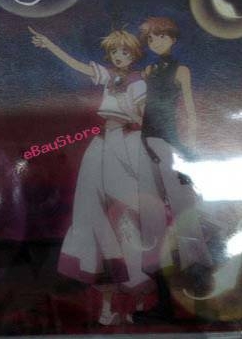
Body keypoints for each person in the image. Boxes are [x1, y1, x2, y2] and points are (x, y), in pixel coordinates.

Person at [29, 26, 154, 326]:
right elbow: (77, 65)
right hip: (103, 142)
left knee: (126, 215)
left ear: (133, 54)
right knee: (91, 211)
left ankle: (134, 299)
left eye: (124, 52)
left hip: (126, 142)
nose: (119, 56)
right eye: (115, 52)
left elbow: (142, 117)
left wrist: (129, 120)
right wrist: (50, 44)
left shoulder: (138, 82)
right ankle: (108, 304)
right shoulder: (110, 76)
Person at [134, 17, 213, 323]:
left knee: (184, 214)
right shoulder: (149, 71)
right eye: (151, 39)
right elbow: (144, 108)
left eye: (161, 37)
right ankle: (163, 301)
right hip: (146, 142)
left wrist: (188, 153)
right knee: (152, 218)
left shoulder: (182, 71)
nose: (156, 42)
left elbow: (190, 112)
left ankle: (200, 296)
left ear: (172, 39)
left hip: (169, 144)